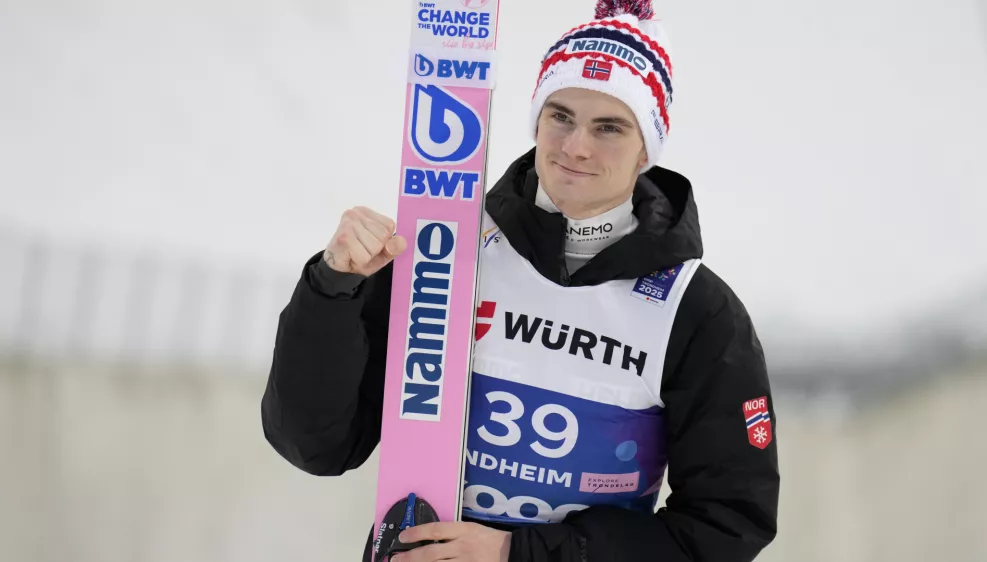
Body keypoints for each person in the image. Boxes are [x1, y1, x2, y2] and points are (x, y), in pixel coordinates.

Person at [261, 1, 780, 560]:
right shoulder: (447, 250)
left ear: (646, 150)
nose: (576, 146)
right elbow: (316, 445)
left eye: (609, 127)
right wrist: (333, 290)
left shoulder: (696, 310)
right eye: (561, 117)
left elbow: (727, 526)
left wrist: (519, 553)